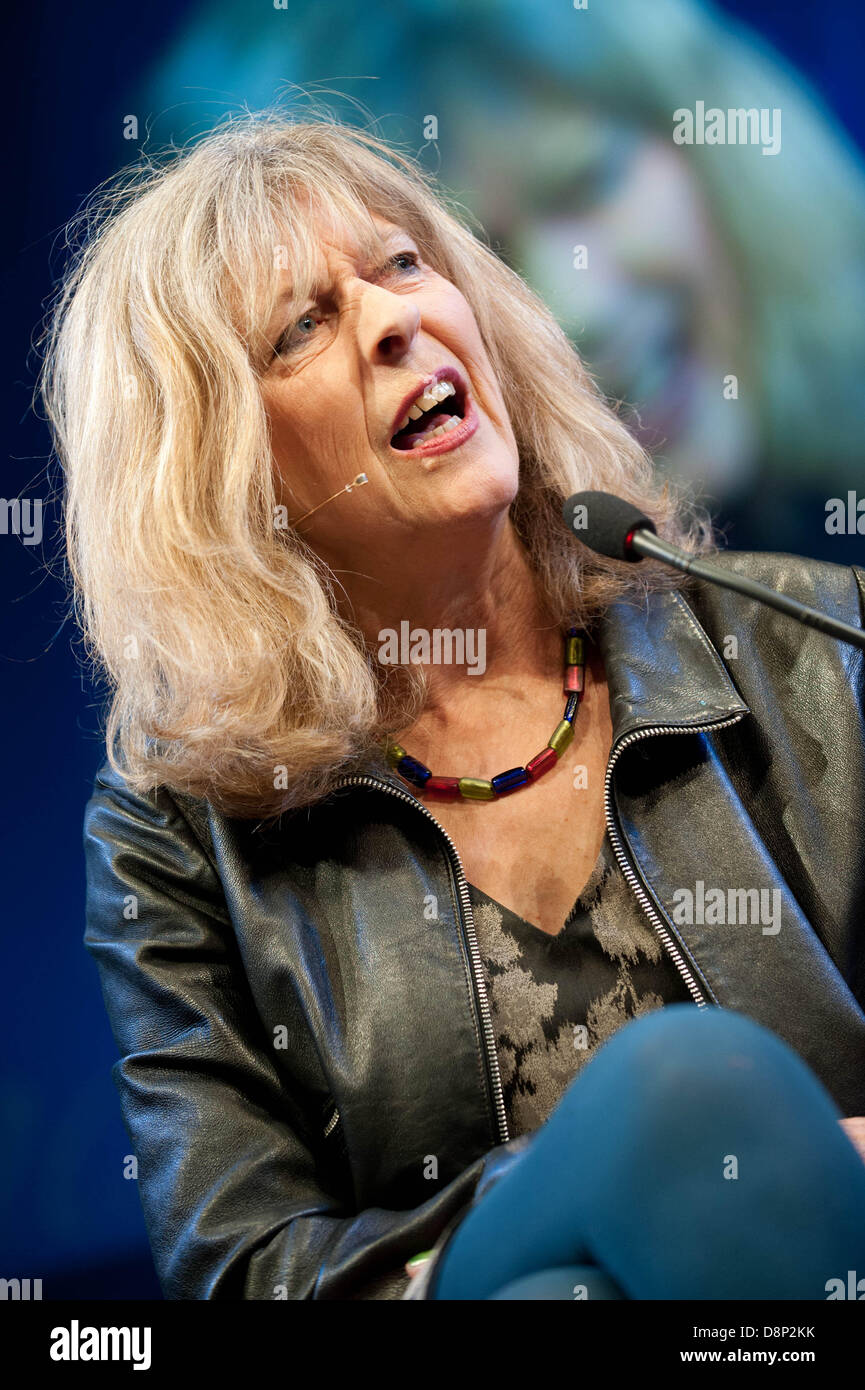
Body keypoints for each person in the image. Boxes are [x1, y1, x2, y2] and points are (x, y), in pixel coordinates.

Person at [41, 111, 865, 1300]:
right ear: (224, 472)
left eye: (402, 264)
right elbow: (243, 1264)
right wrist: (618, 1187)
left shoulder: (820, 653)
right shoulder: (178, 833)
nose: (392, 319)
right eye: (302, 328)